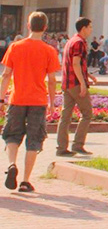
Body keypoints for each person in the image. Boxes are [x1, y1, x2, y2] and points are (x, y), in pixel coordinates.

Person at [0, 11, 60, 192]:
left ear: (28, 26)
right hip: (38, 100)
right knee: (34, 140)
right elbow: (51, 80)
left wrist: (1, 98)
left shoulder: (15, 47)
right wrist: (51, 102)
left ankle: (12, 164)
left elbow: (6, 74)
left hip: (17, 98)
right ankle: (25, 181)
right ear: (45, 28)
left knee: (12, 134)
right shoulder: (49, 50)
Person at [55, 17, 97, 157]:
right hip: (75, 84)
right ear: (83, 28)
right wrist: (83, 84)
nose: (91, 29)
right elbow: (75, 63)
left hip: (67, 83)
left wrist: (89, 75)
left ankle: (61, 148)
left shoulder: (71, 41)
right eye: (90, 27)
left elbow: (75, 64)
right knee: (87, 114)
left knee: (65, 116)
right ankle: (78, 145)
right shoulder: (79, 42)